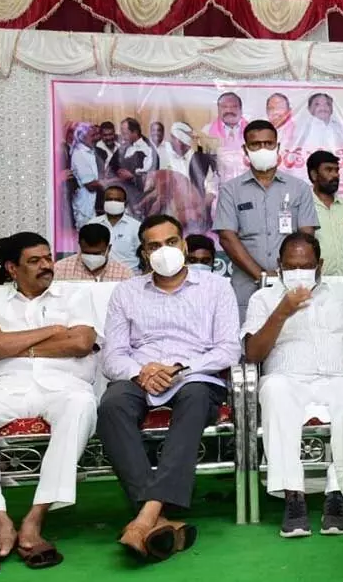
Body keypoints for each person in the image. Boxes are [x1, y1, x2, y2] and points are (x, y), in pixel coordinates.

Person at [0, 232, 97, 576]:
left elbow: (81, 343)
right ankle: (0, 520)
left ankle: (34, 518)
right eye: (35, 261)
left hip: (64, 384)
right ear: (12, 268)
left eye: (48, 258)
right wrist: (53, 330)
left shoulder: (76, 295)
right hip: (4, 385)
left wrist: (10, 341)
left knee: (80, 406)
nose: (46, 265)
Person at [98, 215, 241, 561]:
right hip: (141, 375)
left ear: (185, 246)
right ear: (144, 255)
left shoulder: (217, 287)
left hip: (194, 375)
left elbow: (228, 349)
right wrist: (141, 372)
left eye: (171, 242)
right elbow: (112, 355)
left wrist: (180, 369)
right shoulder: (126, 292)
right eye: (154, 246)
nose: (164, 251)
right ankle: (159, 517)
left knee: (193, 398)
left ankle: (144, 516)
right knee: (111, 405)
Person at [243, 233, 343, 537]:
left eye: (306, 265)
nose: (299, 272)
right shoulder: (263, 298)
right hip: (289, 379)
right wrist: (282, 312)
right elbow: (253, 353)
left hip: (338, 379)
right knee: (273, 391)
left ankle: (336, 494)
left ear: (319, 265)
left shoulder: (340, 293)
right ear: (279, 266)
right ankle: (293, 496)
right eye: (291, 266)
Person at [214, 119, 319, 319]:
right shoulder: (230, 190)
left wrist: (286, 276)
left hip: (292, 285)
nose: (263, 149)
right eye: (256, 144)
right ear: (245, 150)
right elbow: (227, 237)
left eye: (268, 144)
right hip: (247, 287)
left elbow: (307, 238)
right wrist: (262, 276)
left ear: (277, 146)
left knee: (293, 341)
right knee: (250, 345)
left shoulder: (299, 188)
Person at [308, 151, 343, 276]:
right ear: (314, 175)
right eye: (328, 170)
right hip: (317, 286)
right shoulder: (304, 207)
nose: (335, 175)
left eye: (337, 170)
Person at [86, 185, 142, 273]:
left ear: (125, 203)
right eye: (109, 199)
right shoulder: (92, 224)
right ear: (103, 202)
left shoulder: (136, 227)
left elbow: (143, 255)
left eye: (117, 200)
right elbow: (85, 252)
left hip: (129, 278)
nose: (113, 202)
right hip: (99, 279)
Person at [53, 224, 133, 282]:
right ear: (80, 246)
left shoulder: (124, 275)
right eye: (86, 253)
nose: (91, 257)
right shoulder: (60, 270)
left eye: (97, 254)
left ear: (108, 249)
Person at [109, 118, 157, 211]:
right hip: (121, 198)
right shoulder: (123, 147)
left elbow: (152, 178)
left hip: (139, 202)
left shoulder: (148, 150)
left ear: (135, 132)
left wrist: (132, 177)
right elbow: (111, 167)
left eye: (125, 133)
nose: (122, 137)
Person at [203, 92, 250, 183]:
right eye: (224, 107)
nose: (229, 111)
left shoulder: (253, 131)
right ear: (218, 110)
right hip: (220, 188)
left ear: (241, 109)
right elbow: (203, 167)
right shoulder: (206, 132)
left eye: (233, 107)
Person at [69, 122, 104, 230]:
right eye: (92, 136)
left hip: (92, 205)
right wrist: (113, 182)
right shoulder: (79, 154)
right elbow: (90, 184)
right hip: (84, 208)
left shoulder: (90, 151)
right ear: (82, 137)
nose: (96, 138)